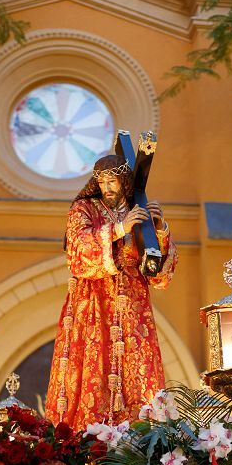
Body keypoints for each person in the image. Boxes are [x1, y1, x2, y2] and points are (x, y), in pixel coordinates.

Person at [45, 152, 177, 430]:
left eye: (112, 181)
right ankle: (88, 434)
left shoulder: (137, 210)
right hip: (94, 301)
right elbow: (77, 249)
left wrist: (159, 229)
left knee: (137, 373)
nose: (107, 187)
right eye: (102, 181)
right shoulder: (84, 209)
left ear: (125, 182)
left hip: (133, 304)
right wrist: (119, 228)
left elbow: (158, 272)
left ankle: (141, 436)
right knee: (95, 366)